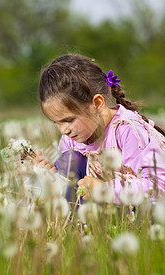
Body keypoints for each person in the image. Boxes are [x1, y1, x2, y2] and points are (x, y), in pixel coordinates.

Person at [35, 53, 165, 203]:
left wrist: (104, 189)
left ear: (97, 104)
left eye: (69, 120)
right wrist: (51, 174)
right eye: (56, 122)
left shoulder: (127, 131)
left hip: (140, 210)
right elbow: (69, 186)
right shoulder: (71, 139)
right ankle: (78, 224)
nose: (63, 130)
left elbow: (159, 186)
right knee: (69, 160)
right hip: (101, 213)